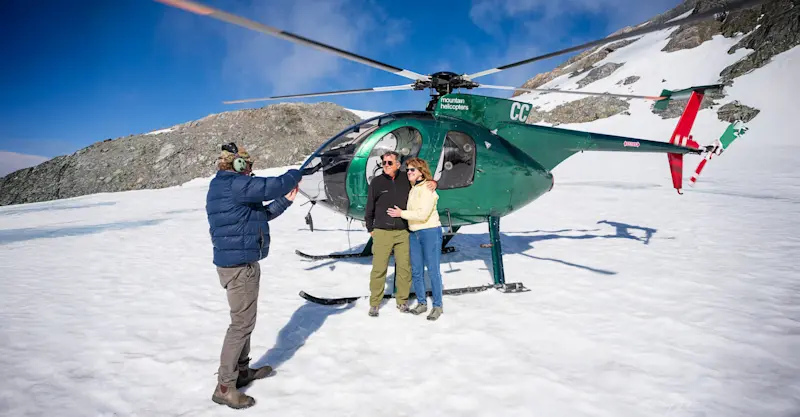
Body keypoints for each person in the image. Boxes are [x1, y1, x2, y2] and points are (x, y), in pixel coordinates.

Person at [205, 142, 302, 409]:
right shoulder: (233, 184)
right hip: (240, 267)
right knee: (240, 326)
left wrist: (286, 200)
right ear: (237, 165)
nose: (251, 172)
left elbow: (263, 213)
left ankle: (242, 372)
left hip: (242, 263)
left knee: (245, 322)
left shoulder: (229, 187)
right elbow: (270, 186)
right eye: (248, 167)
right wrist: (295, 174)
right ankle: (225, 386)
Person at [364, 151, 435, 317]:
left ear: (397, 164)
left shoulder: (406, 179)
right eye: (384, 163)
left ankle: (402, 301)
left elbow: (422, 182)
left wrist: (433, 182)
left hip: (403, 232)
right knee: (378, 269)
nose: (386, 166)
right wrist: (370, 227)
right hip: (382, 232)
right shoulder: (377, 182)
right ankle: (375, 303)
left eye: (390, 162)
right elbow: (370, 207)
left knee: (404, 268)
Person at [387, 157, 444, 321]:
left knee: (432, 270)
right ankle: (421, 303)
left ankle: (437, 306)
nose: (409, 172)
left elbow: (422, 214)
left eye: (413, 169)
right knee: (417, 270)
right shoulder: (414, 188)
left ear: (421, 171)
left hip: (430, 232)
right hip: (414, 233)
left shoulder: (427, 188)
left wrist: (401, 213)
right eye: (408, 170)